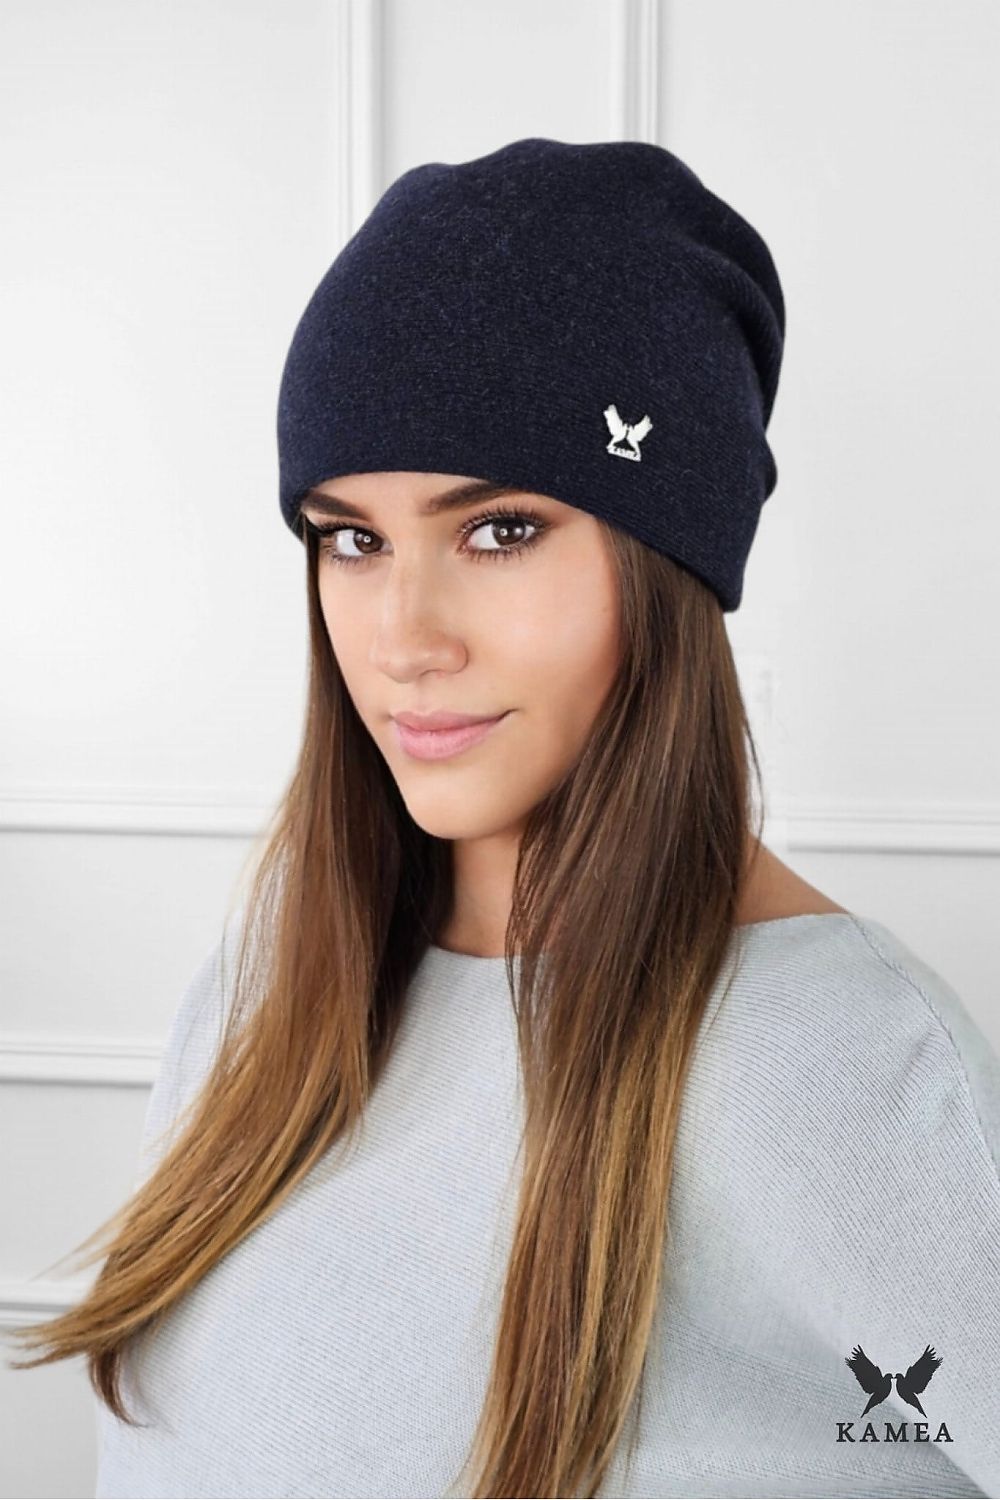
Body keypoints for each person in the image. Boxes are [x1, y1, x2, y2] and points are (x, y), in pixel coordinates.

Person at [7, 138, 999, 1500]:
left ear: (667, 559)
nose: (403, 639)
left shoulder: (848, 1070)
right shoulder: (267, 988)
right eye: (352, 539)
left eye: (501, 531)